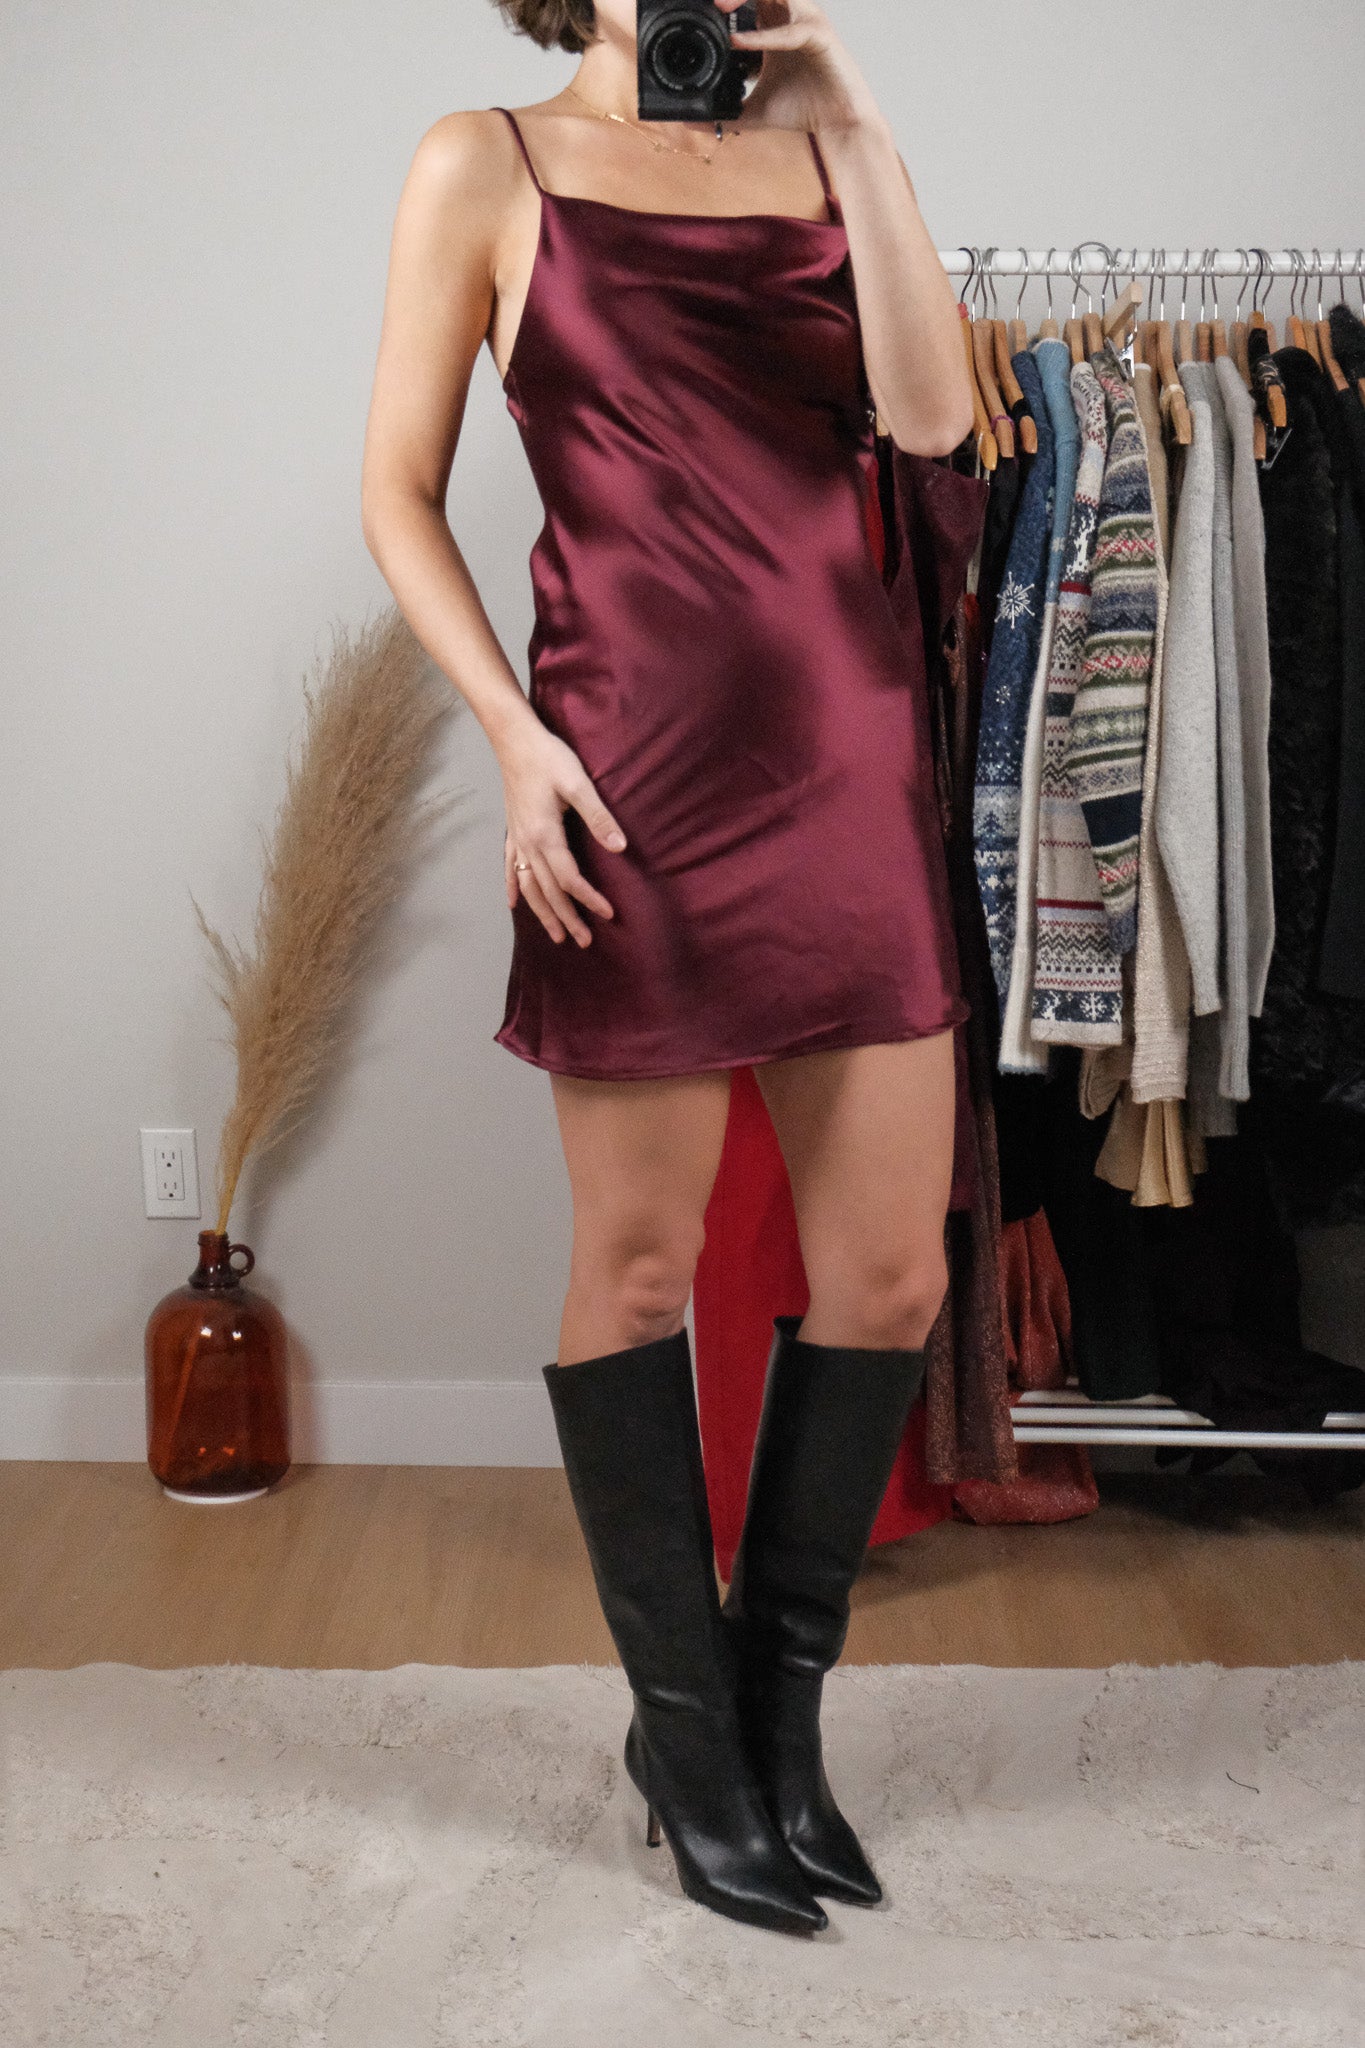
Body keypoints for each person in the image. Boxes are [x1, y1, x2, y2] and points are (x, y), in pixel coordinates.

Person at [361, 0, 975, 1938]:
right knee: (636, 1270)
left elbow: (932, 423)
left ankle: (778, 1725)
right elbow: (394, 491)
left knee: (890, 1274)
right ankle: (688, 1743)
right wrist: (510, 740)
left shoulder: (819, 160)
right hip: (624, 781)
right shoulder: (485, 159)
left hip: (849, 770)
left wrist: (855, 119)